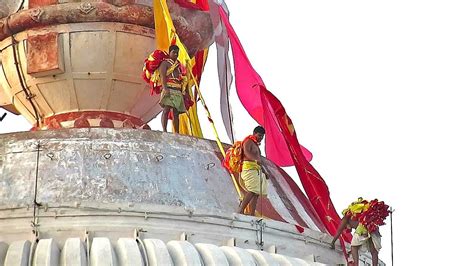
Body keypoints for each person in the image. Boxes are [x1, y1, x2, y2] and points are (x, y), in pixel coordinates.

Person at [330, 198, 383, 266]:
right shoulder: (356, 217)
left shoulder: (345, 219)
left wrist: (333, 242)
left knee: (354, 247)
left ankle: (356, 264)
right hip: (373, 227)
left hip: (363, 227)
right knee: (373, 251)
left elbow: (339, 231)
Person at [237, 126, 268, 216]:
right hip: (249, 168)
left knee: (256, 193)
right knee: (252, 190)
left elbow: (259, 161)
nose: (261, 138)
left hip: (256, 169)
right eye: (259, 135)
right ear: (254, 133)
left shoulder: (257, 146)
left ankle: (252, 213)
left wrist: (264, 172)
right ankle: (241, 210)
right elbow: (246, 152)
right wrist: (254, 160)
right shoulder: (248, 141)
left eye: (262, 136)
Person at [158, 45, 188, 133]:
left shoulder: (178, 65)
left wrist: (184, 91)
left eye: (177, 53)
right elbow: (162, 76)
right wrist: (165, 88)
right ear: (169, 53)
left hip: (177, 89)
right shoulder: (165, 63)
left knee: (176, 112)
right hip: (169, 88)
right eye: (173, 52)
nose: (175, 54)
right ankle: (164, 130)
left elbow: (181, 78)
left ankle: (177, 132)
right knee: (166, 109)